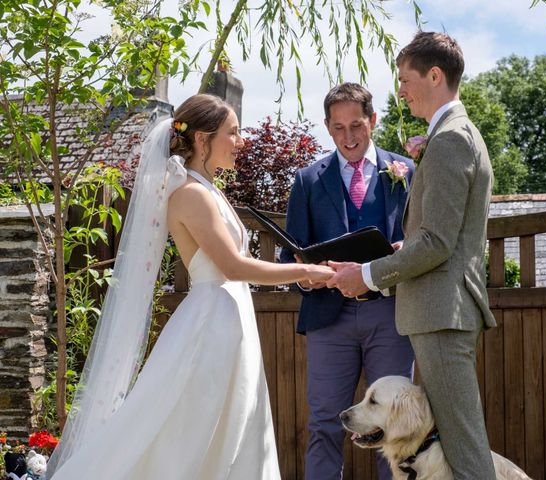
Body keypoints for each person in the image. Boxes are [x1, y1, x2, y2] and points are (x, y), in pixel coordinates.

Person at [47, 94, 333, 479]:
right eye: (232, 133)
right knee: (190, 431)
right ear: (202, 139)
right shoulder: (191, 195)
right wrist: (302, 274)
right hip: (210, 325)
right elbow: (231, 267)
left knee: (235, 424)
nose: (240, 141)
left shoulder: (208, 190)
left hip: (229, 318)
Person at [327, 32, 498, 479]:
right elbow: (444, 234)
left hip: (442, 313)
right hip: (442, 311)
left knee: (464, 446)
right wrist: (407, 247)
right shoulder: (454, 134)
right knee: (459, 441)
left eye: (405, 79)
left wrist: (367, 274)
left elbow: (438, 243)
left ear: (435, 75)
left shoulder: (451, 139)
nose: (400, 90)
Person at [280, 82, 415, 480]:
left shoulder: (406, 171)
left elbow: (425, 239)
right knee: (324, 424)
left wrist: (405, 247)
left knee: (393, 426)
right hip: (329, 319)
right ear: (327, 127)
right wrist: (309, 276)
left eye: (356, 125)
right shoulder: (307, 180)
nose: (349, 137)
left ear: (373, 120)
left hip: (390, 314)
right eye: (338, 128)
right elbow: (291, 257)